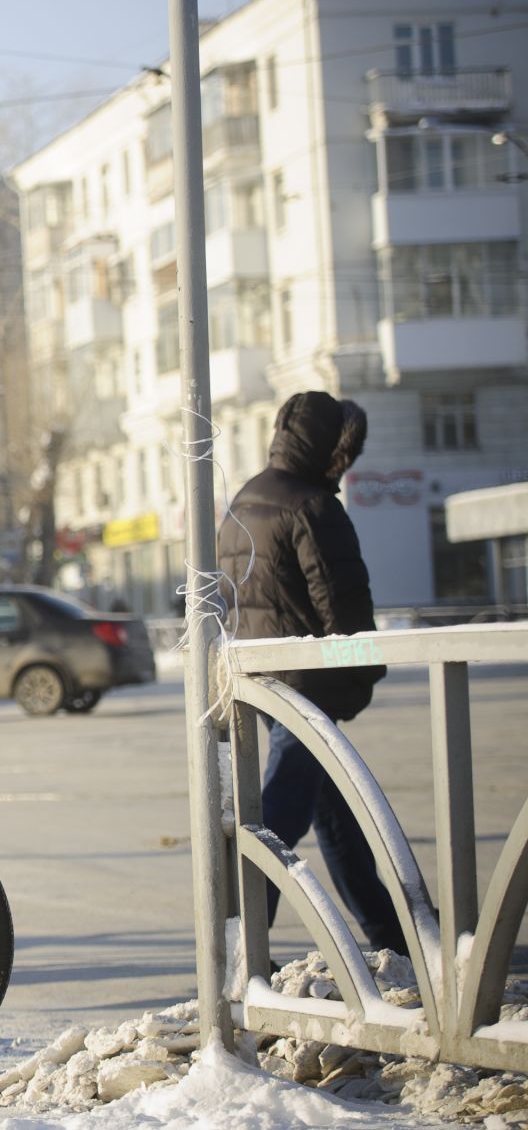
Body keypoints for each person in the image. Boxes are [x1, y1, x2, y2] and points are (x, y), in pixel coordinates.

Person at [216, 391, 402, 955]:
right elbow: (342, 607)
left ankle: (396, 937)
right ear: (330, 446)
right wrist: (360, 675)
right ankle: (245, 948)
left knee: (337, 819)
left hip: (262, 680)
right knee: (279, 817)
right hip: (308, 685)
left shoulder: (244, 500)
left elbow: (230, 599)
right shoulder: (313, 506)